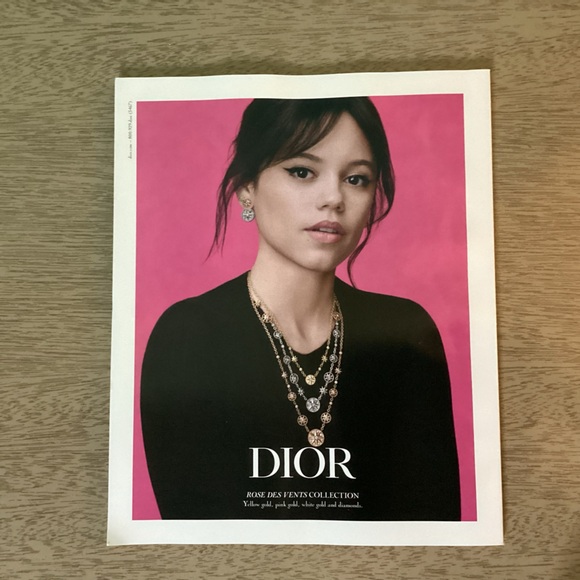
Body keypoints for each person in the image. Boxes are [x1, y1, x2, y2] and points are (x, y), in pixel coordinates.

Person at [140, 98, 461, 521]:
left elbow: (433, 531)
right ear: (247, 186)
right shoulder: (189, 336)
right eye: (302, 171)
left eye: (356, 179)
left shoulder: (404, 333)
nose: (333, 199)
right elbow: (199, 537)